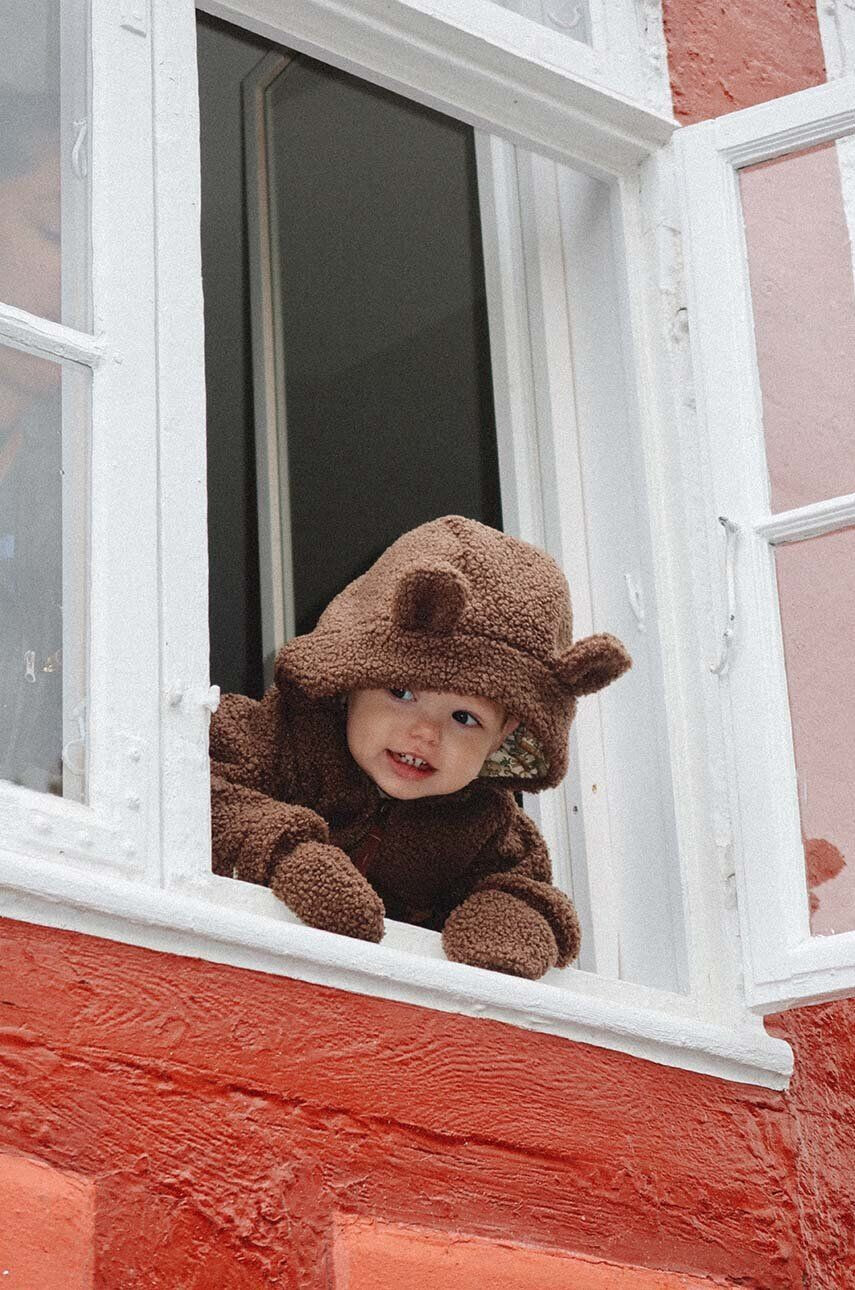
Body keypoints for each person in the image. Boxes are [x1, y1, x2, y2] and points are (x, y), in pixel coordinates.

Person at [210, 515, 631, 979]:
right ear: (353, 679)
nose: (427, 734)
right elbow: (198, 787)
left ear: (504, 734)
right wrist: (290, 855)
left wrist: (509, 916)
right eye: (403, 694)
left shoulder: (486, 824)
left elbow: (530, 890)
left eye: (464, 718)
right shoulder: (279, 735)